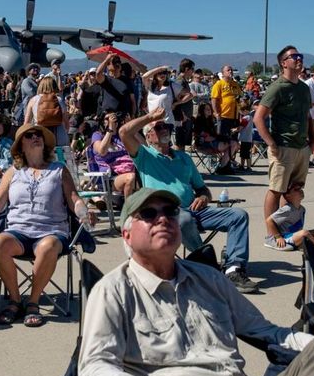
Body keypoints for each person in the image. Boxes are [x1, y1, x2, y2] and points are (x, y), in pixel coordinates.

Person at [78, 187, 314, 376]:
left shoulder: (209, 278)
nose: (163, 218)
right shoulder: (113, 290)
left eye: (170, 212)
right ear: (126, 234)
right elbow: (91, 374)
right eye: (148, 214)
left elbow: (269, 333)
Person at [120, 108, 258, 293]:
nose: (165, 129)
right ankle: (207, 264)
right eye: (159, 127)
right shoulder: (144, 156)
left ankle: (234, 269)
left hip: (195, 209)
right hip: (167, 213)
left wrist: (203, 197)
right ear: (149, 136)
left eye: (167, 126)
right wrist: (150, 118)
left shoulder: (183, 157)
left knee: (238, 215)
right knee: (183, 219)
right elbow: (123, 132)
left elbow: (202, 188)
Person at [0, 124, 86, 327]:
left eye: (39, 135)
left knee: (47, 247)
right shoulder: (13, 172)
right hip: (18, 231)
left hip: (52, 231)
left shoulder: (58, 170)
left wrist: (84, 212)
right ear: (21, 145)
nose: (35, 137)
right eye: (29, 135)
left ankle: (33, 302)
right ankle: (15, 300)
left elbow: (74, 199)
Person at [254, 45, 312, 225]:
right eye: (294, 56)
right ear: (283, 63)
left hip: (302, 146)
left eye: (300, 55)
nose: (299, 59)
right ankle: (271, 232)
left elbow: (307, 116)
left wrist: (313, 140)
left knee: (295, 189)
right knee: (276, 189)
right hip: (283, 146)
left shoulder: (303, 88)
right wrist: (271, 144)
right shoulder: (277, 87)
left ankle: (285, 226)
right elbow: (258, 118)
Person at [90, 111, 137, 198]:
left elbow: (141, 148)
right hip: (111, 178)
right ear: (102, 122)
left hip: (132, 170)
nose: (110, 121)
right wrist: (110, 130)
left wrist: (131, 127)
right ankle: (129, 209)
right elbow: (102, 151)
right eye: (107, 119)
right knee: (130, 177)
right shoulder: (97, 135)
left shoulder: (122, 136)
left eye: (113, 118)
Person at [23, 76, 69, 147]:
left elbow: (27, 123)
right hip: (59, 135)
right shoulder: (59, 100)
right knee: (59, 156)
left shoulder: (33, 100)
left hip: (40, 135)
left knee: (41, 156)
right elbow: (66, 122)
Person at [192, 102, 235, 173]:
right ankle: (222, 166)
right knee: (232, 144)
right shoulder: (199, 121)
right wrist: (214, 138)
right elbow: (204, 136)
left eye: (210, 109)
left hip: (212, 141)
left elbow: (213, 135)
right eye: (207, 109)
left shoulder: (211, 120)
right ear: (202, 110)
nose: (209, 111)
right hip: (203, 144)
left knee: (234, 143)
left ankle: (223, 166)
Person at [211, 64, 242, 148]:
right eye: (228, 70)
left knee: (234, 141)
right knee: (223, 141)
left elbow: (240, 98)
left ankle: (230, 159)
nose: (230, 71)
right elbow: (214, 100)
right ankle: (223, 160)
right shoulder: (219, 84)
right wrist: (216, 113)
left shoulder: (235, 84)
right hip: (223, 116)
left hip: (234, 117)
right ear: (223, 73)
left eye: (231, 70)